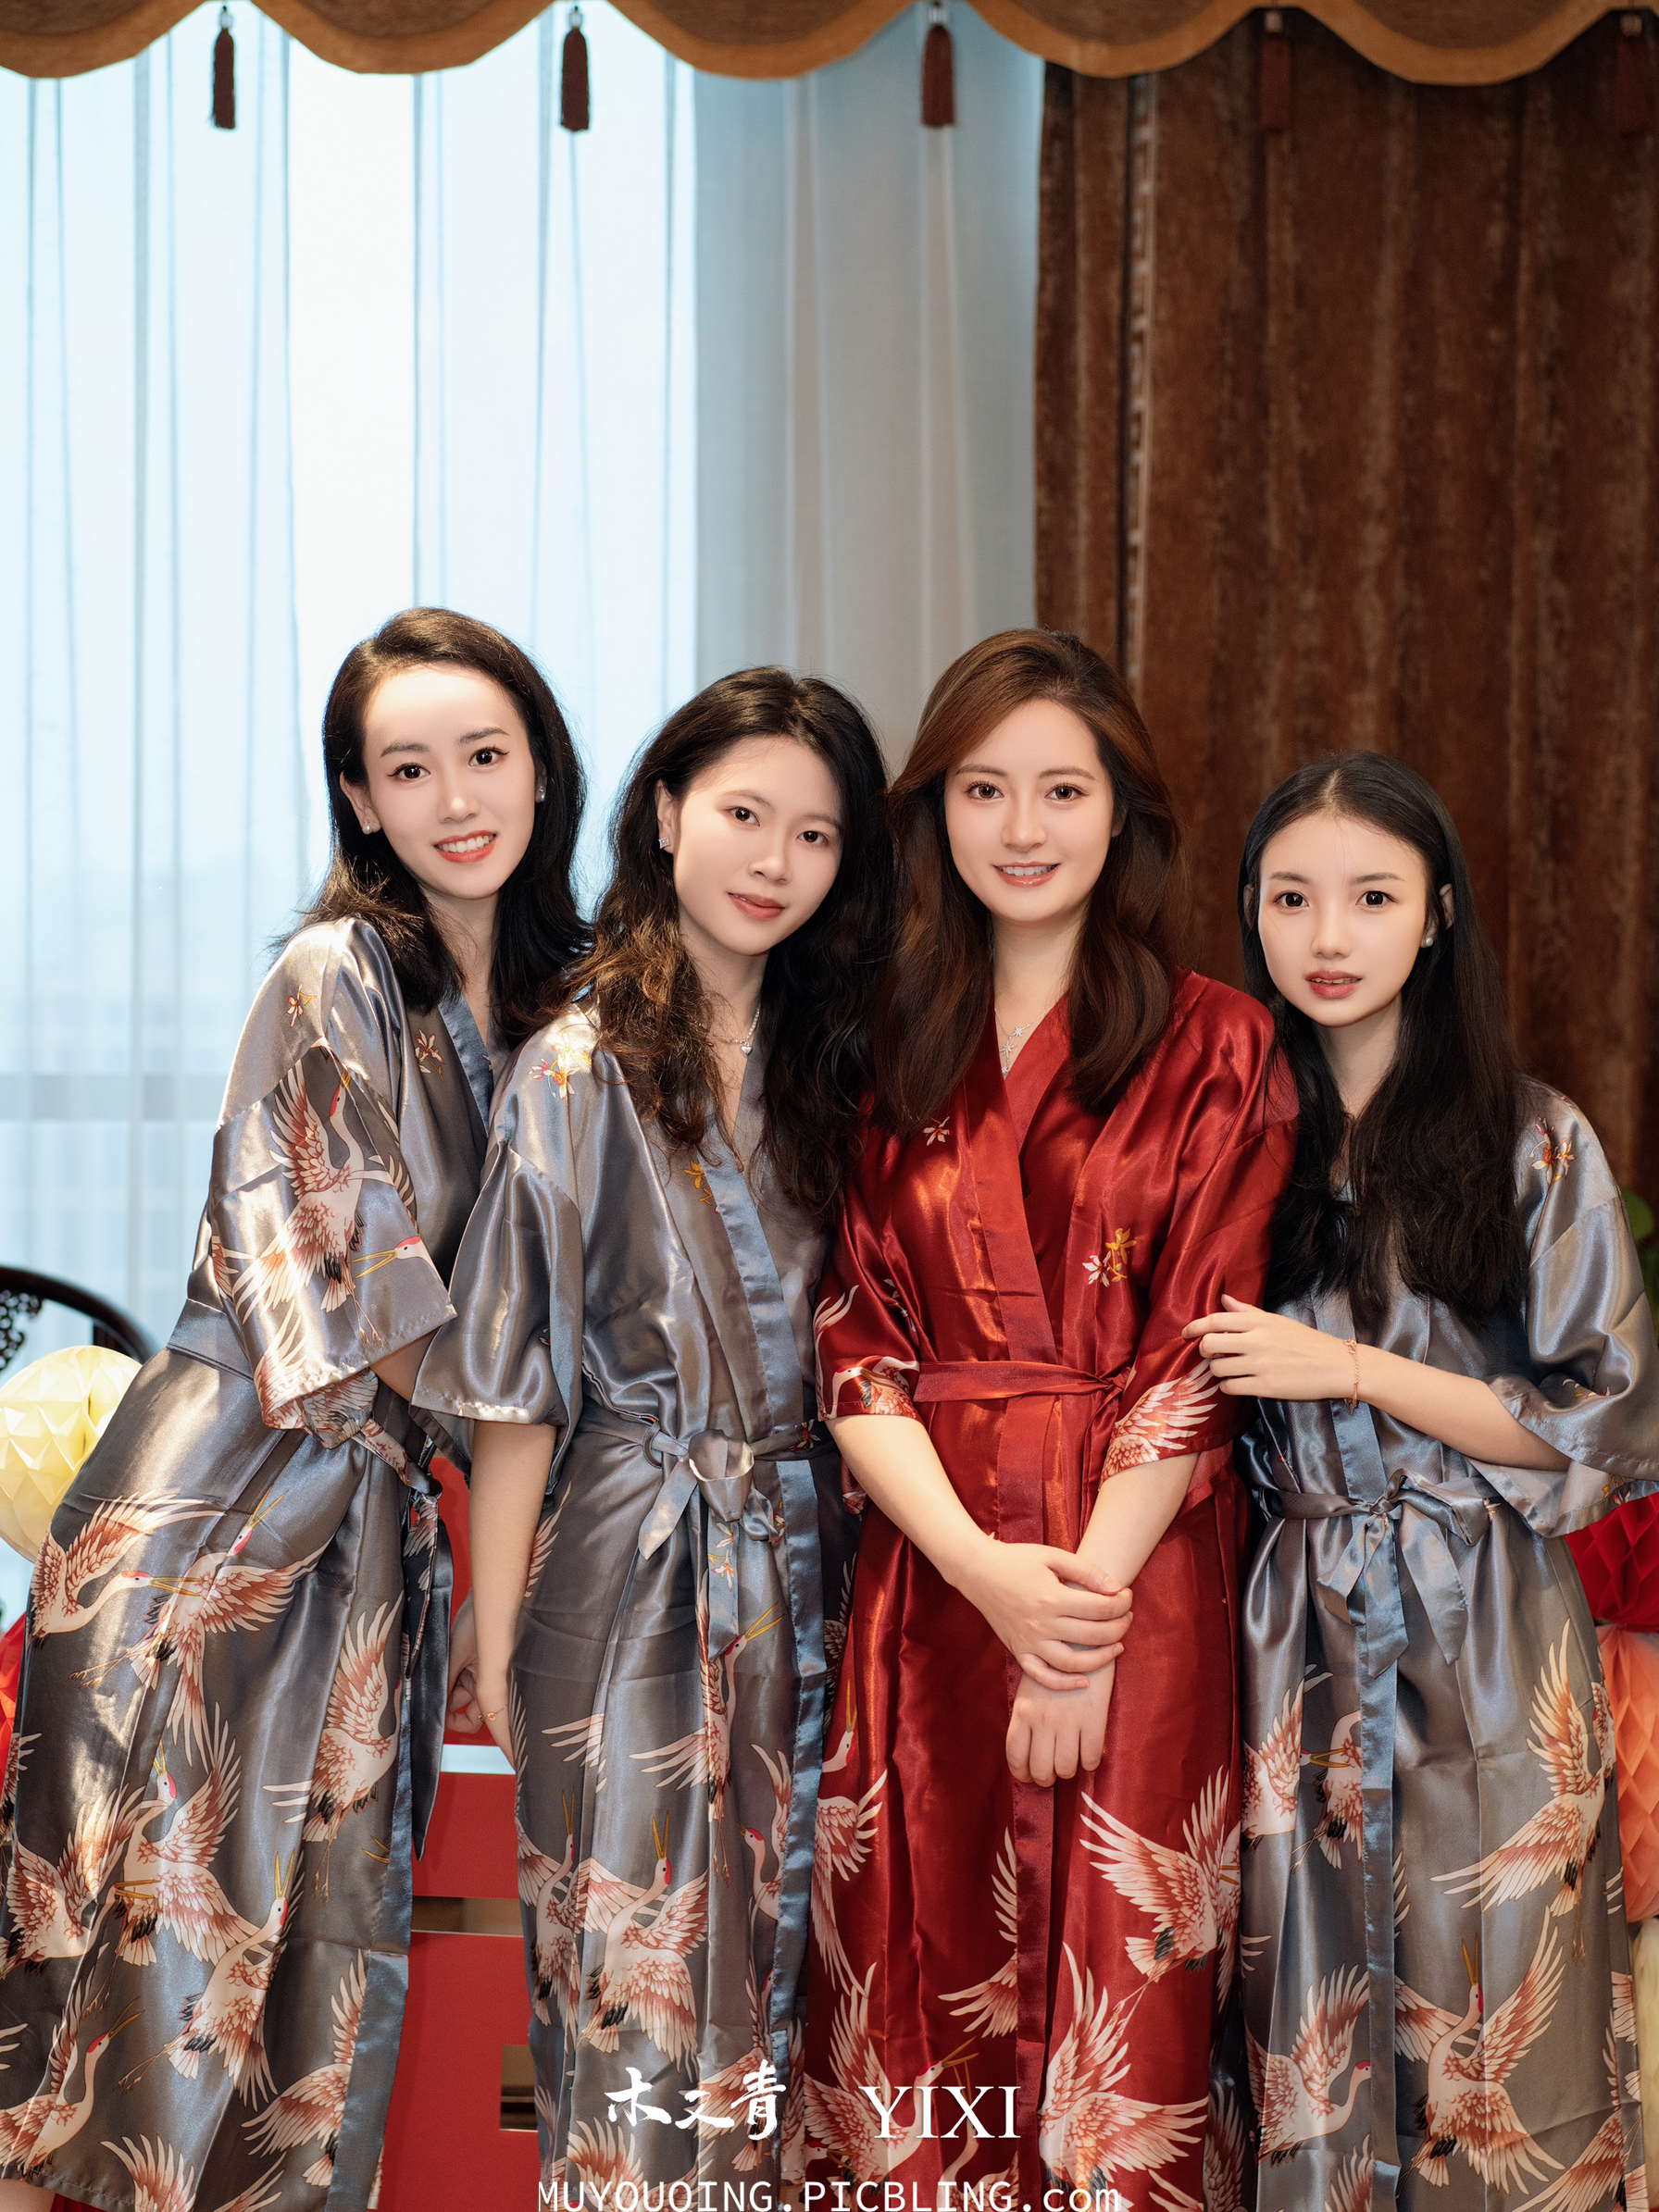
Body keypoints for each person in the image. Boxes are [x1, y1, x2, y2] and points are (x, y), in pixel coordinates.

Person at [0, 608, 586, 2212]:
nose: (456, 797)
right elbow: (356, 1284)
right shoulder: (335, 972)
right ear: (358, 796)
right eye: (410, 767)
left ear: (541, 767)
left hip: (372, 1534)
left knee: (310, 1984)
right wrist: (540, 1430)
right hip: (220, 1518)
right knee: (127, 1984)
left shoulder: (561, 1006)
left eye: (485, 754)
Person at [804, 629, 1297, 2200]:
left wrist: (1071, 1628)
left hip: (1131, 1583)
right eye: (984, 789)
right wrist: (979, 1571)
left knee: (1115, 2003)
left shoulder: (1220, 1041)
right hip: (933, 1571)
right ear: (934, 809)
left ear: (1122, 810)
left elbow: (1198, 1353)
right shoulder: (881, 1035)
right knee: (917, 1966)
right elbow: (854, 1342)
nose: (1022, 827)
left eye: (1063, 790)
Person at [418, 669, 891, 2196]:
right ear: (669, 812)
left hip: (817, 1561)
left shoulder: (848, 1066)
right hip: (626, 1565)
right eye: (745, 813)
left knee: (797, 1973)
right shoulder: (575, 1064)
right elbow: (516, 1386)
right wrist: (497, 1618)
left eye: (815, 834)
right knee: (629, 1968)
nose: (774, 859)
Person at [1190, 753, 1659, 2212]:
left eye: (1373, 897)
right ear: (1251, 913)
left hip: (1489, 1621)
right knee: (1303, 2010)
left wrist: (1353, 1368)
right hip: (1288, 1625)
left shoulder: (1532, 1137)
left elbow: (1600, 1419)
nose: (1328, 935)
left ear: (1438, 912)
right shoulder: (1226, 1135)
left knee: (1500, 2009)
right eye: (1290, 899)